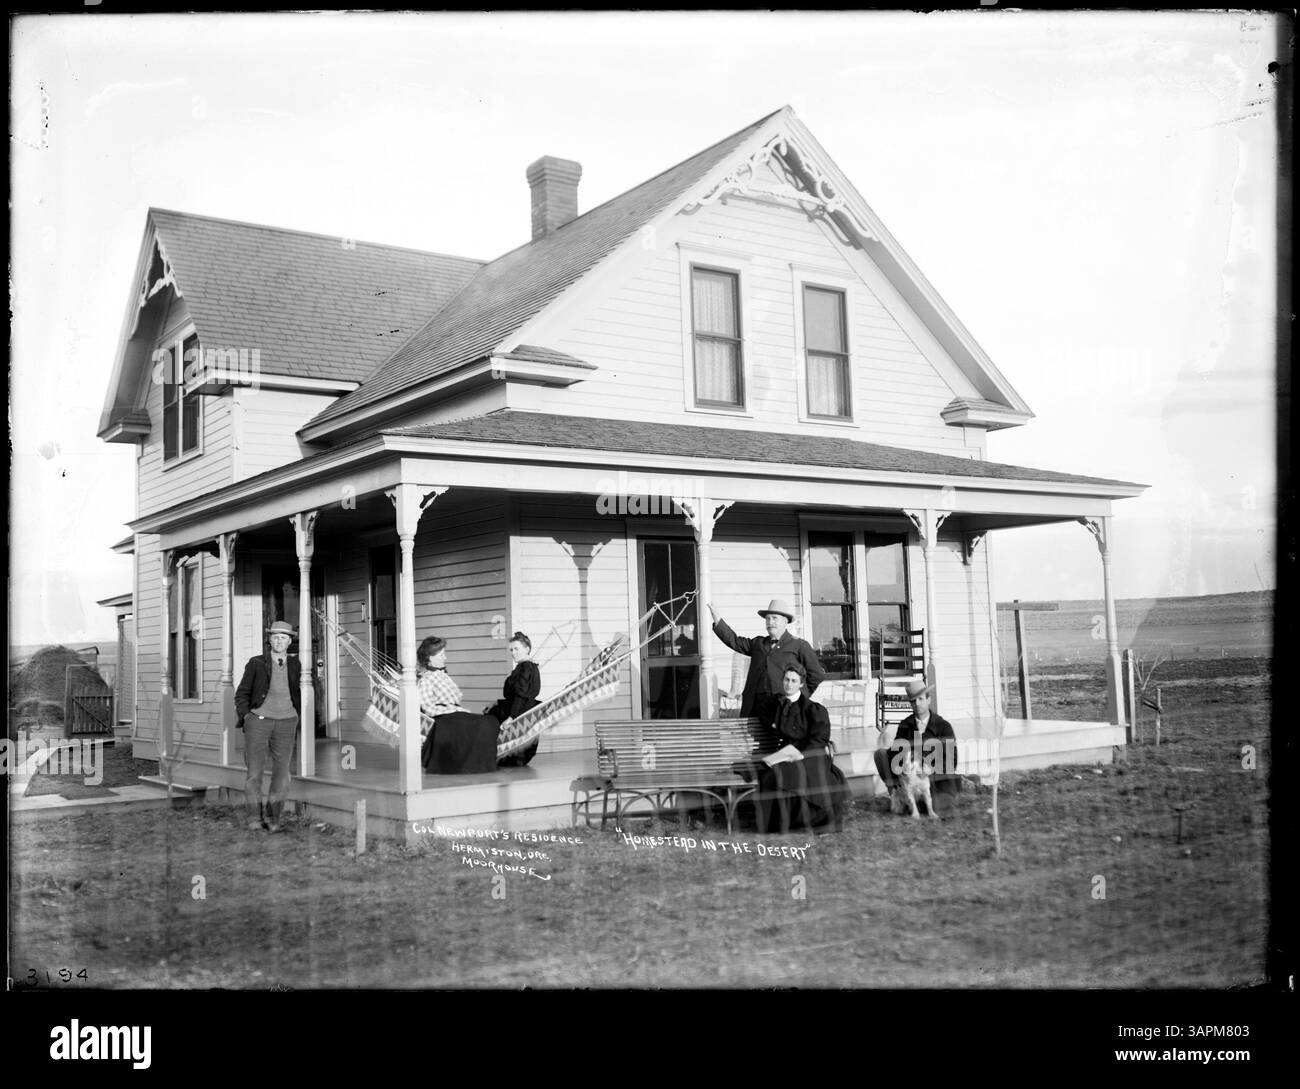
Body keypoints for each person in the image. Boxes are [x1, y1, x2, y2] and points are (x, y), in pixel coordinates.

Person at [751, 664, 850, 833]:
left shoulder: (813, 709)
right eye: (786, 679)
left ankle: (811, 820)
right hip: (785, 752)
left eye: (794, 681)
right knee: (770, 774)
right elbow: (761, 710)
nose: (789, 684)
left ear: (801, 684)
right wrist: (774, 724)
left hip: (810, 753)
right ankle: (779, 823)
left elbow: (820, 739)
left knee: (799, 774)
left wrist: (799, 753)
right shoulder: (776, 703)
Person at [709, 598, 826, 720]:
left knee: (777, 738)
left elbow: (816, 675)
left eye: (775, 618)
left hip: (782, 709)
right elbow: (735, 641)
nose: (770, 622)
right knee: (753, 738)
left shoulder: (799, 645)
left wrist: (798, 696)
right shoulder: (758, 643)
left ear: (785, 622)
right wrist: (717, 618)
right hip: (754, 706)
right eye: (768, 619)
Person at [234, 620, 301, 833]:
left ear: (290, 641)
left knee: (282, 774)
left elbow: (300, 691)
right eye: (275, 637)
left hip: (286, 722)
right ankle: (254, 818)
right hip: (259, 722)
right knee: (254, 772)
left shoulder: (296, 665)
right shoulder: (257, 663)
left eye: (283, 637)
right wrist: (247, 716)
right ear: (269, 640)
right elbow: (242, 693)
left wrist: (297, 715)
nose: (279, 641)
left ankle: (274, 818)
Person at [874, 678, 960, 816]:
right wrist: (903, 764)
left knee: (942, 808)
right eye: (913, 701)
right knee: (880, 754)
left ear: (928, 699)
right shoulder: (905, 725)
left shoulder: (943, 726)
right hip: (910, 778)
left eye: (920, 699)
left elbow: (952, 760)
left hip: (934, 780)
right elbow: (895, 753)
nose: (917, 704)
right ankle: (898, 795)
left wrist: (931, 768)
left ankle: (924, 802)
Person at [417, 636, 499, 774]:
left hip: (453, 715)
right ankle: (471, 765)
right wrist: (453, 710)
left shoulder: (442, 675)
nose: (446, 657)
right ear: (430, 657)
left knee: (490, 721)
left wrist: (457, 710)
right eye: (442, 654)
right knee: (482, 723)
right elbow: (428, 708)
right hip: (442, 719)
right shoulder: (426, 679)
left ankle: (480, 764)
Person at [485, 632, 542, 768]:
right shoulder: (527, 667)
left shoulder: (526, 667)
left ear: (527, 649)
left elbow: (521, 695)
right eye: (511, 649)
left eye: (516, 649)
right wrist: (496, 702)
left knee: (489, 719)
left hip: (520, 711)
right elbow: (514, 695)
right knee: (491, 710)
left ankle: (494, 755)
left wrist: (511, 718)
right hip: (521, 707)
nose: (513, 652)